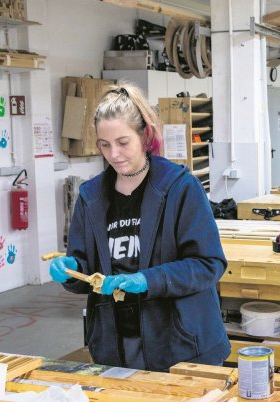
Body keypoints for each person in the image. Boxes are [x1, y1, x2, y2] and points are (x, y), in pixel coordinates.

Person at [49, 82, 230, 372]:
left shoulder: (180, 188)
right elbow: (85, 266)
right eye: (105, 145)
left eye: (123, 142)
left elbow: (209, 264)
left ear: (144, 136)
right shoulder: (91, 197)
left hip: (179, 343)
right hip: (116, 343)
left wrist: (149, 280)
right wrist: (71, 270)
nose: (114, 154)